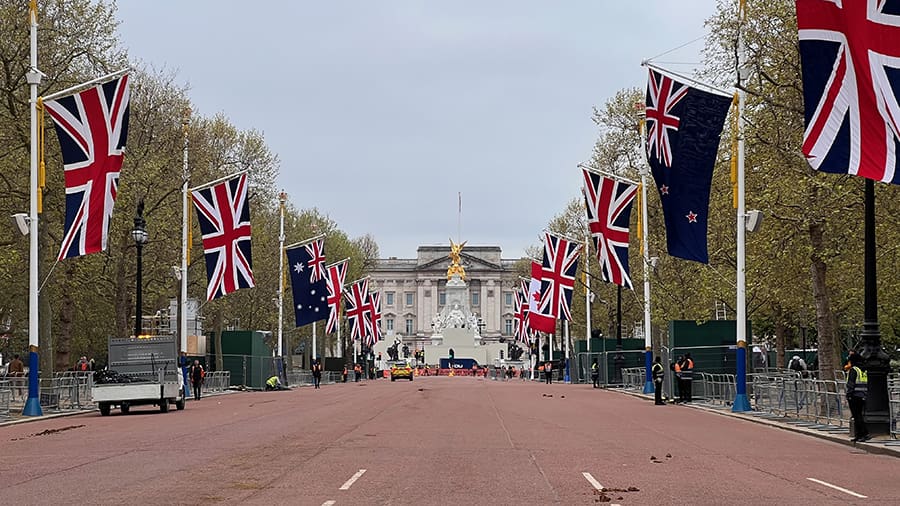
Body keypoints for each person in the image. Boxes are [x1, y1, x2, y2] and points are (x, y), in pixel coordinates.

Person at [846, 353, 870, 442]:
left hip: (854, 395)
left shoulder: (854, 370)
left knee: (856, 416)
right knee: (859, 415)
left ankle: (863, 433)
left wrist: (849, 394)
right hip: (863, 395)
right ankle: (859, 434)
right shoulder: (863, 370)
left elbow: (851, 383)